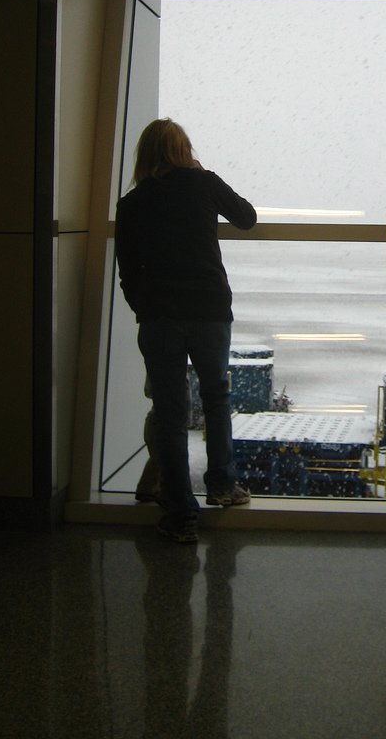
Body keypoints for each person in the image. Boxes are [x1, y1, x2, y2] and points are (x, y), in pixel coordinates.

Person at [115, 118, 257, 543]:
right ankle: (222, 485)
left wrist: (145, 307)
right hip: (209, 309)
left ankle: (180, 512)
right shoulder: (203, 184)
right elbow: (246, 218)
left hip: (160, 315)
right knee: (216, 396)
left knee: (171, 414)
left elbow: (127, 269)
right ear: (184, 149)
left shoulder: (133, 202)